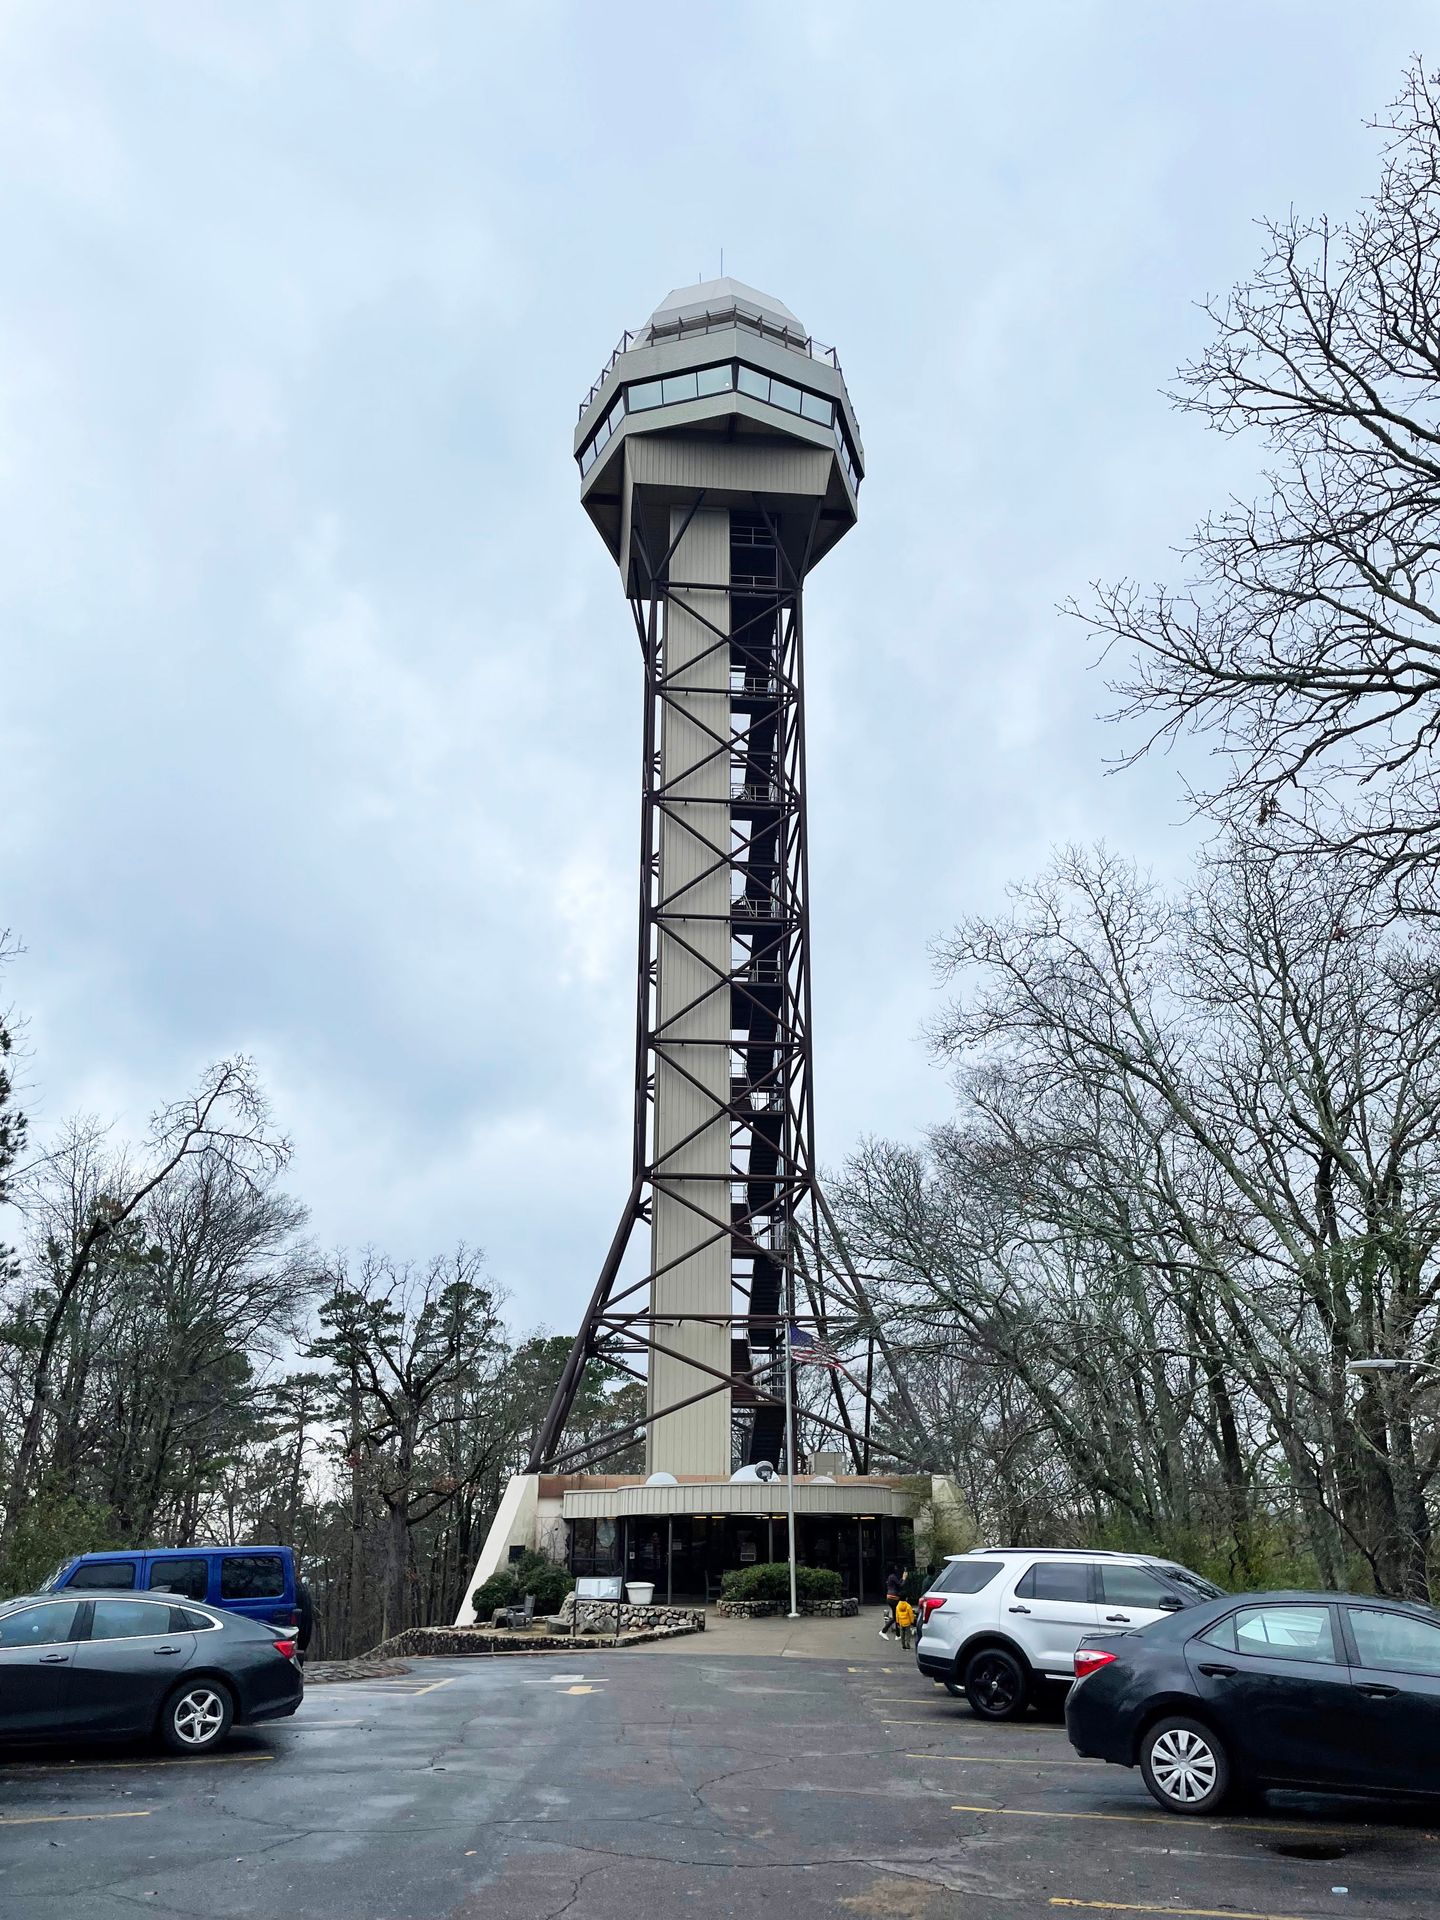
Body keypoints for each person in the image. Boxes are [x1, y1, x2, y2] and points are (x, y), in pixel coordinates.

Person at [879, 1565, 902, 1638]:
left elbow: (897, 1583)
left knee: (896, 1615)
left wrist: (902, 1579)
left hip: (889, 1597)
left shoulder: (890, 1577)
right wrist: (904, 1579)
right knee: (896, 1616)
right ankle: (884, 1630)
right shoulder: (893, 1576)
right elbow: (900, 1585)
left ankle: (898, 1634)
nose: (896, 1568)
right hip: (894, 1597)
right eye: (895, 1567)